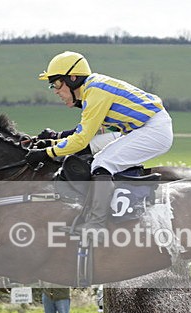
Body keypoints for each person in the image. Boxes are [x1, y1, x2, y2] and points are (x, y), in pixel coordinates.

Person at [26, 51, 173, 235]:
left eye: (56, 83)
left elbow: (80, 140)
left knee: (102, 164)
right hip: (141, 127)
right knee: (96, 154)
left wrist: (47, 153)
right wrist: (52, 141)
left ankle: (97, 224)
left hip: (153, 129)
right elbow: (84, 133)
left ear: (72, 78)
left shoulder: (95, 92)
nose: (55, 91)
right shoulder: (92, 89)